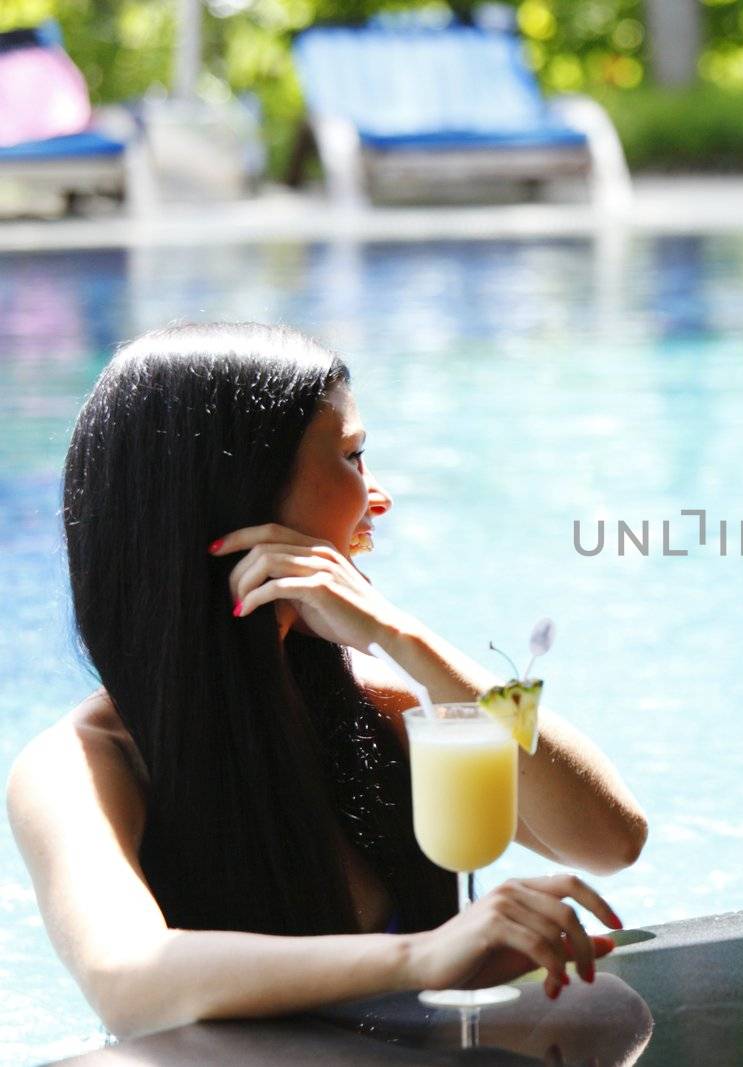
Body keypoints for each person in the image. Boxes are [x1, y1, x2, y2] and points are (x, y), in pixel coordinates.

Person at [6, 324, 648, 1038]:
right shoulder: (81, 764)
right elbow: (126, 980)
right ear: (241, 491)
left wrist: (406, 640)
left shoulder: (371, 698)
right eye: (352, 456)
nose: (379, 497)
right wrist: (421, 955)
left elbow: (609, 839)